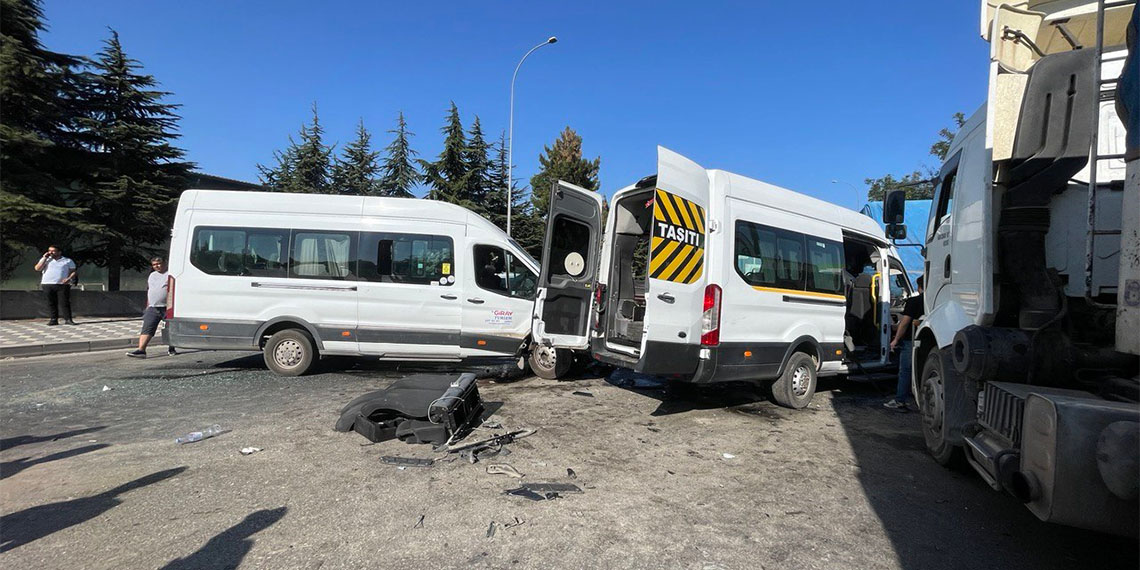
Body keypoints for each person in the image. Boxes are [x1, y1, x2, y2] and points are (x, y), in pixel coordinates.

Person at [885, 275, 924, 410]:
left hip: (911, 340)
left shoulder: (914, 301)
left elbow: (905, 322)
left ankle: (900, 399)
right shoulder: (935, 301)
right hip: (926, 342)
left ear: (920, 287)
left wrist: (895, 339)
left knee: (905, 371)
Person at [127, 257, 175, 358]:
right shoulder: (152, 275)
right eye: (154, 264)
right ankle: (141, 350)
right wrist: (148, 305)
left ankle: (172, 347)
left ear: (165, 263)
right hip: (153, 307)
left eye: (159, 263)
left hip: (168, 307)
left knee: (170, 328)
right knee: (147, 328)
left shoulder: (171, 274)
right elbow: (150, 290)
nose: (156, 266)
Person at [34, 245, 77, 326]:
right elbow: (37, 268)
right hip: (47, 283)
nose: (51, 252)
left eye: (53, 251)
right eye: (49, 250)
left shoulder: (67, 260)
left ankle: (68, 319)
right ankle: (53, 319)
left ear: (59, 252)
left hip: (62, 284)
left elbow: (73, 271)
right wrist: (44, 258)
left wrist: (69, 278)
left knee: (64, 302)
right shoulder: (46, 260)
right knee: (51, 302)